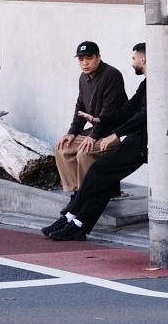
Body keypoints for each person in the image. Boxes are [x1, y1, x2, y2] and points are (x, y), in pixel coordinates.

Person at [44, 42, 147, 241]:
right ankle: (77, 223)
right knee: (101, 177)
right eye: (81, 59)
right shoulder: (145, 84)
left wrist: (115, 133)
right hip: (135, 139)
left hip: (145, 144)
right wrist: (98, 121)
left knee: (97, 170)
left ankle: (72, 216)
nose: (132, 62)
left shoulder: (116, 77)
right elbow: (128, 110)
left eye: (134, 59)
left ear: (143, 60)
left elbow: (142, 115)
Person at [54, 41, 127, 197]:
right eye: (80, 59)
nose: (85, 63)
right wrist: (72, 133)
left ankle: (89, 197)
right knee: (63, 148)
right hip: (95, 131)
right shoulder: (83, 77)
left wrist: (93, 136)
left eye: (89, 58)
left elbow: (109, 111)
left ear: (98, 57)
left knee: (84, 153)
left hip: (113, 132)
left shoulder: (111, 75)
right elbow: (80, 106)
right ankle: (76, 194)